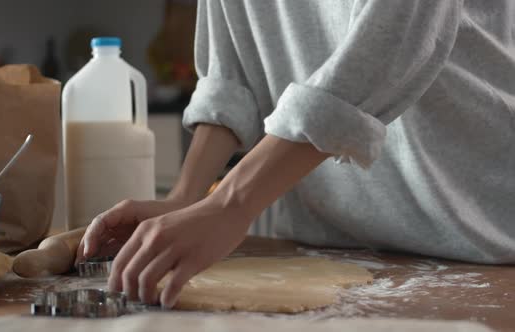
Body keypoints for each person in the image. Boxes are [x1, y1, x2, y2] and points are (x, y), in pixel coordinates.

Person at [76, 0, 515, 309]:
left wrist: (230, 201)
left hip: (471, 227)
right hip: (330, 241)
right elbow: (229, 78)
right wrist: (186, 198)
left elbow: (392, 41)